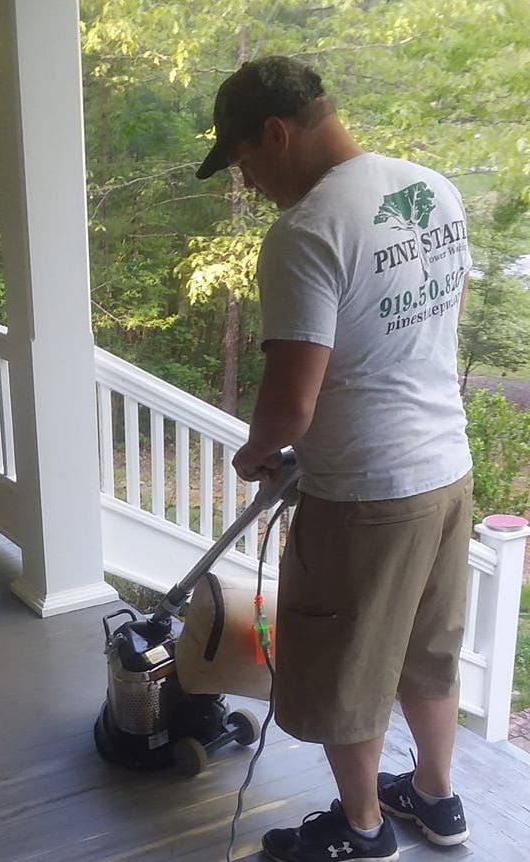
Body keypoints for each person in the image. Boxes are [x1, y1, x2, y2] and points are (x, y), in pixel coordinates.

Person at [196, 56, 473, 862]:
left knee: (345, 672)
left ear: (277, 134)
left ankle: (361, 830)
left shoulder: (307, 231)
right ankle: (436, 797)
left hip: (365, 497)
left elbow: (291, 402)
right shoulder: (434, 189)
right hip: (445, 471)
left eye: (245, 162)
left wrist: (257, 452)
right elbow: (440, 317)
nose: (246, 182)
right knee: (429, 653)